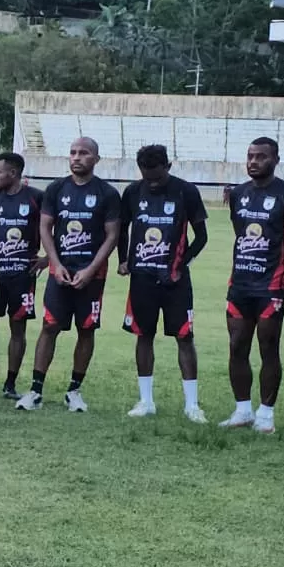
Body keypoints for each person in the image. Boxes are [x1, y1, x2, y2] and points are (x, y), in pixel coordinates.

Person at [16, 136, 120, 412]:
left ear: (96, 159)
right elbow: (45, 228)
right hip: (60, 272)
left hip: (91, 275)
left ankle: (74, 391)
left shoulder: (107, 194)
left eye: (83, 153)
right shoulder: (56, 188)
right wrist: (55, 263)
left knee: (86, 330)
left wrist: (91, 269)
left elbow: (112, 237)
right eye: (73, 152)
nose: (76, 157)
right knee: (50, 326)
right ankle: (36, 389)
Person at [222, 137, 284, 434]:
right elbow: (240, 232)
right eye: (250, 156)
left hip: (272, 285)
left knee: (268, 347)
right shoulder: (237, 194)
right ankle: (242, 410)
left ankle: (266, 415)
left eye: (261, 156)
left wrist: (277, 265)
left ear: (275, 159)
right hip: (240, 284)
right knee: (236, 346)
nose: (253, 161)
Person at [117, 145, 209, 422]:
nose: (152, 182)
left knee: (184, 337)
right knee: (143, 335)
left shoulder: (186, 192)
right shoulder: (133, 192)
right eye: (147, 177)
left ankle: (192, 405)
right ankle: (146, 401)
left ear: (168, 166)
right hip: (142, 279)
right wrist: (123, 259)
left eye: (157, 177)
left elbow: (201, 237)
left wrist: (180, 267)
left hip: (175, 281)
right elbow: (122, 228)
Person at [0, 152, 45, 400]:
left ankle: (10, 384)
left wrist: (47, 258)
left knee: (18, 329)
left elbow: (49, 227)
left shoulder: (35, 198)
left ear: (13, 173)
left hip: (23, 277)